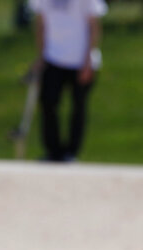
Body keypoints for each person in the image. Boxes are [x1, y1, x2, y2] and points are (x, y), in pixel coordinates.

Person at [30, 0, 107, 162]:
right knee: (48, 103)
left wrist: (88, 60)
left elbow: (94, 26)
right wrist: (41, 55)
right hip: (52, 57)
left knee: (78, 106)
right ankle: (53, 151)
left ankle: (71, 152)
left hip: (80, 60)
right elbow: (41, 23)